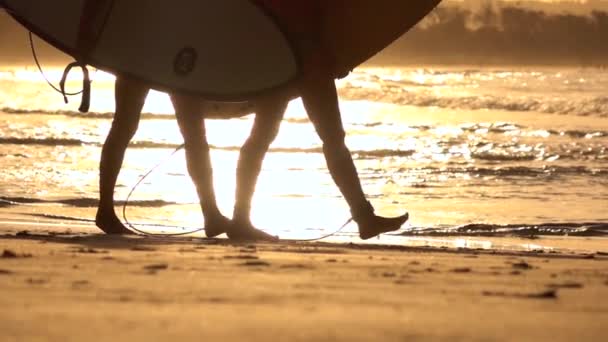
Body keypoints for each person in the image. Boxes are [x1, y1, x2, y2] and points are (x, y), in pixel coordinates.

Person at [96, 0, 408, 241]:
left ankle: (227, 217)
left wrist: (341, 55)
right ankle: (226, 217)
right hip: (261, 61)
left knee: (321, 136)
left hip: (300, 62)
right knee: (250, 136)